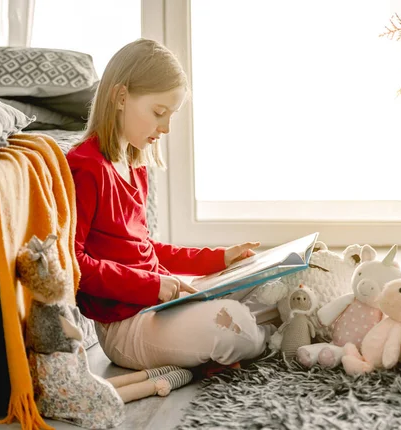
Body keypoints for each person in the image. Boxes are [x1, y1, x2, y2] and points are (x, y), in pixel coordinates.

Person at [66, 39, 272, 371]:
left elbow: (144, 249)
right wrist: (155, 286)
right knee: (236, 324)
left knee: (266, 280)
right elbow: (74, 264)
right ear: (120, 97)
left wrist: (219, 258)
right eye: (159, 112)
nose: (166, 128)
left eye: (170, 115)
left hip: (158, 303)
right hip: (125, 326)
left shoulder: (134, 166)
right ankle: (262, 336)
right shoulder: (86, 168)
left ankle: (245, 336)